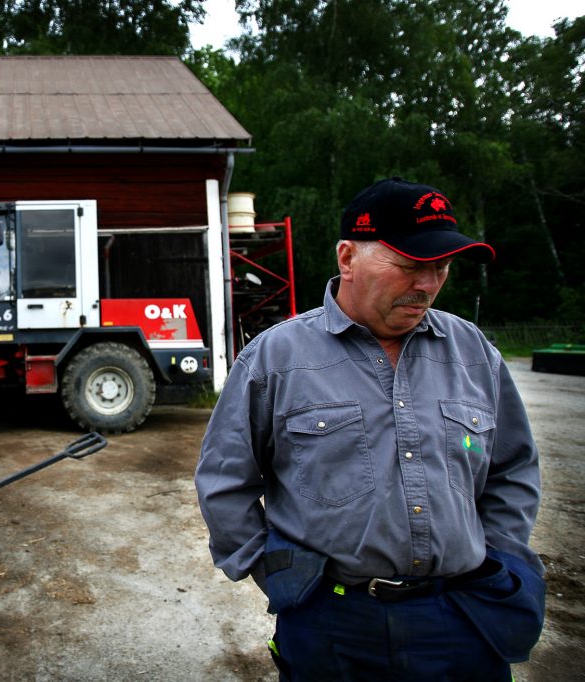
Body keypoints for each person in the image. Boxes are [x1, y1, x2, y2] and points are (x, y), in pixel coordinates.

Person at [195, 177, 546, 681]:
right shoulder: (276, 359)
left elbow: (513, 468)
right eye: (409, 265)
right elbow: (225, 482)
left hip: (465, 618)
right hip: (333, 623)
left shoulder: (473, 353)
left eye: (441, 267)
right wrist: (276, 574)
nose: (427, 284)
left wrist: (501, 556)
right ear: (346, 258)